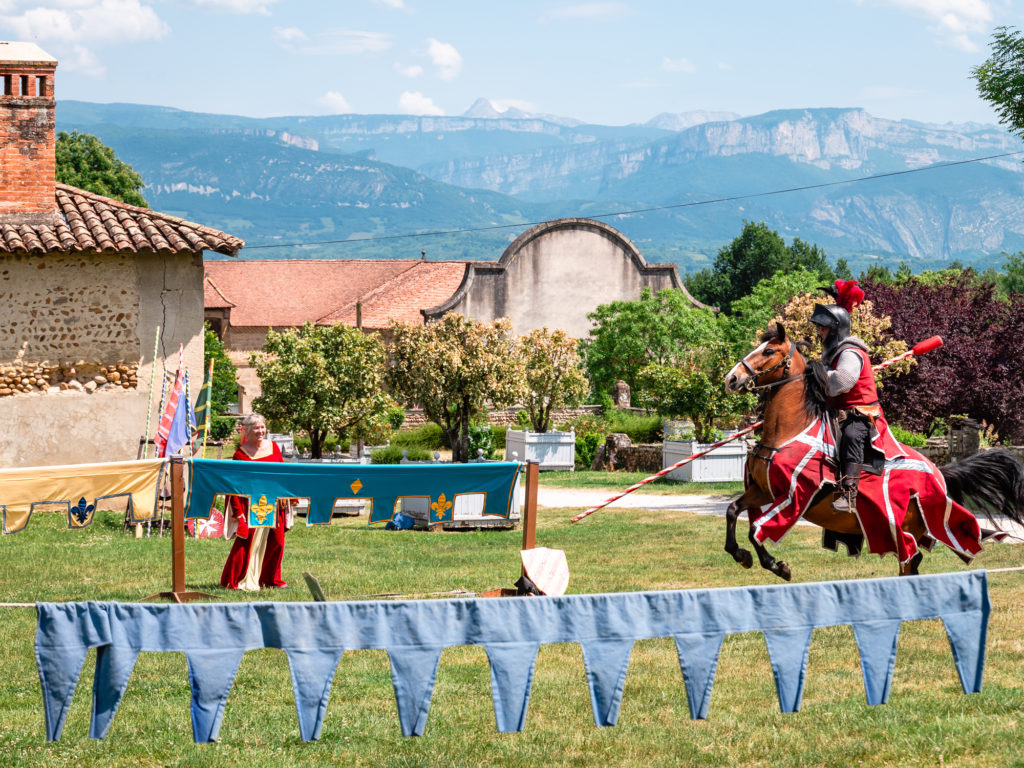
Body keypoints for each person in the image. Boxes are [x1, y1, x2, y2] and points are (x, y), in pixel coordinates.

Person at [810, 280, 904, 512]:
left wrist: (819, 374)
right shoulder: (832, 353)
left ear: (834, 329)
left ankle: (849, 493)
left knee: (852, 435)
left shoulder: (851, 352)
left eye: (823, 328)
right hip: (836, 411)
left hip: (861, 414)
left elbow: (841, 382)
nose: (819, 333)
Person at [220, 413, 295, 590]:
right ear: (247, 430)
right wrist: (238, 513)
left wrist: (288, 495)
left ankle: (271, 579)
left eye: (262, 427)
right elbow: (235, 486)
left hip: (274, 503)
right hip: (251, 505)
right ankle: (235, 579)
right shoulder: (240, 454)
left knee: (277, 542)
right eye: (256, 428)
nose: (260, 431)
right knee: (247, 542)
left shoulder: (274, 447)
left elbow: (282, 473)